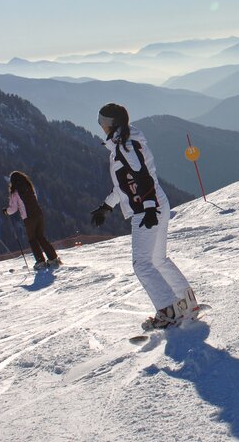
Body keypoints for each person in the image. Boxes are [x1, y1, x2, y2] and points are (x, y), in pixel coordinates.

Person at [90, 103, 198, 330]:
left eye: (102, 123)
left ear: (111, 125)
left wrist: (148, 207)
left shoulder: (125, 147)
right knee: (158, 260)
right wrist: (107, 207)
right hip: (156, 203)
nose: (100, 127)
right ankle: (186, 302)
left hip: (147, 209)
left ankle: (168, 311)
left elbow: (142, 177)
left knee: (142, 264)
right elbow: (125, 184)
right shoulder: (126, 143)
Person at [4, 171, 60, 271]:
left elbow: (13, 209)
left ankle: (40, 261)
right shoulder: (30, 187)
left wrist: (6, 211)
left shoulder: (15, 193)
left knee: (32, 239)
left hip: (29, 218)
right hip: (39, 214)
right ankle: (53, 258)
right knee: (41, 237)